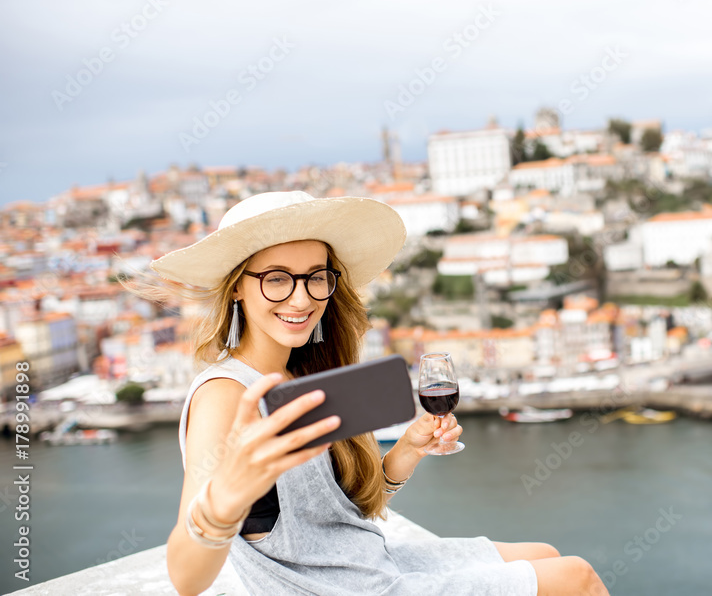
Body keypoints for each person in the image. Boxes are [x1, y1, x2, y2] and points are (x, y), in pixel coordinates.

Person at [131, 191, 607, 596]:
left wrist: (406, 451)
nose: (302, 299)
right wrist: (224, 498)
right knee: (576, 577)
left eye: (316, 277)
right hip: (344, 589)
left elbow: (345, 513)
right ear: (237, 287)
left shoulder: (307, 375)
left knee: (544, 554)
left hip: (367, 564)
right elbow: (185, 577)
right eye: (276, 279)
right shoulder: (225, 395)